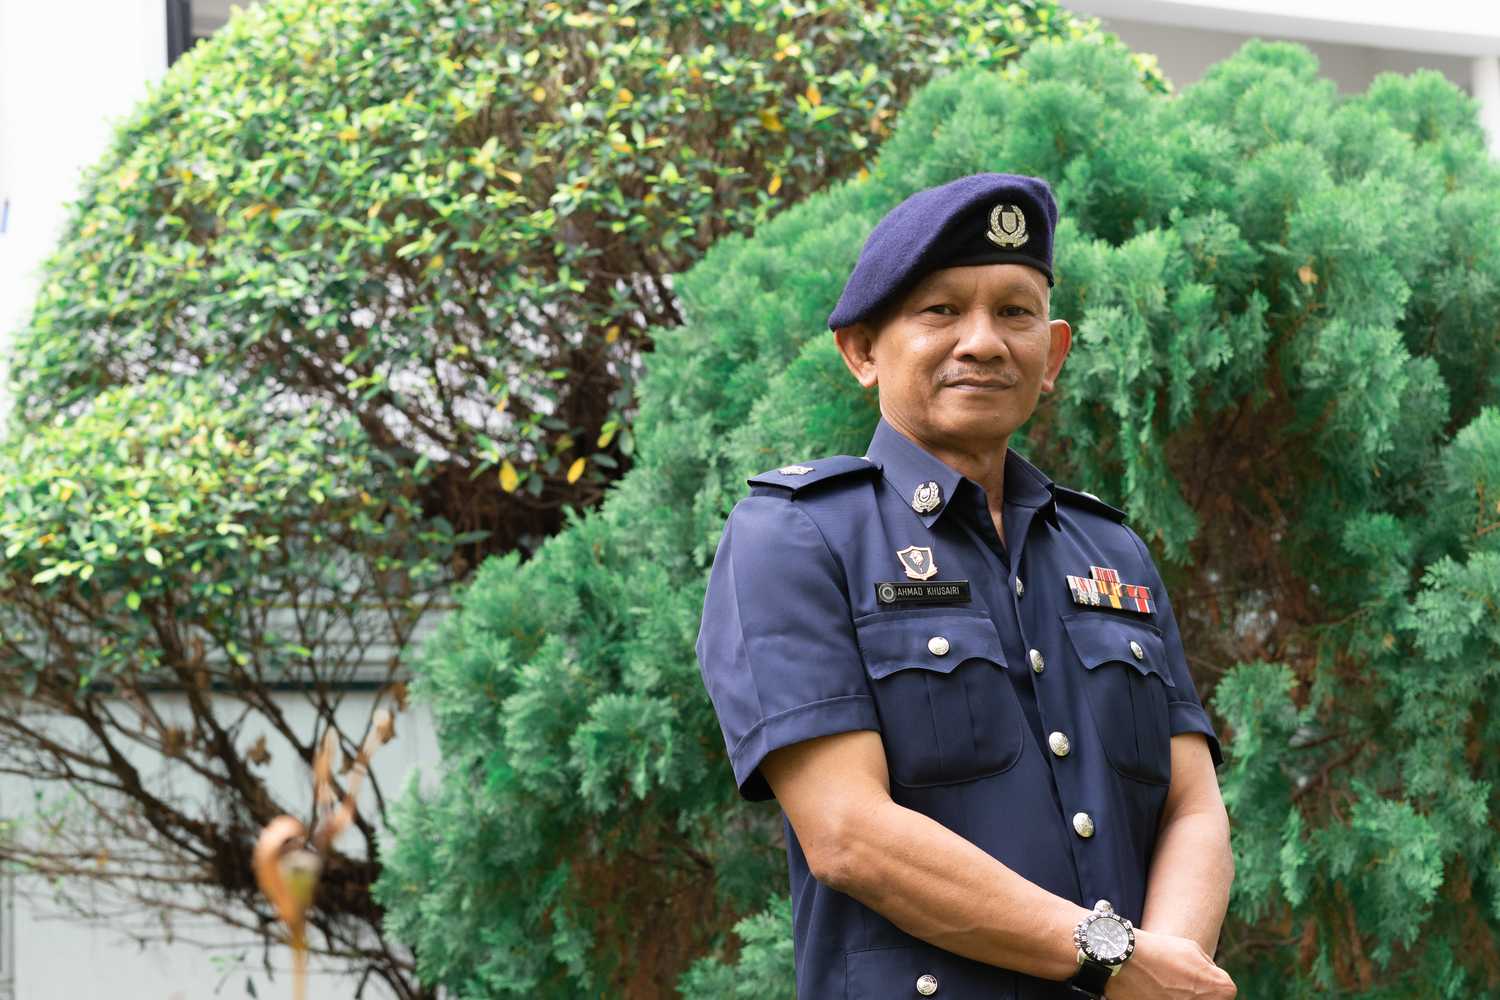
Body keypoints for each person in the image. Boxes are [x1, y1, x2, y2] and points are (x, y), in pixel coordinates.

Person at [695, 172, 1237, 999]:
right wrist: (1113, 960)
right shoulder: (797, 536)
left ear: (1051, 354)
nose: (982, 342)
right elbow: (848, 835)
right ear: (862, 350)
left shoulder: (1112, 551)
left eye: (1014, 312)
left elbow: (1193, 809)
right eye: (940, 311)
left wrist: (1166, 977)